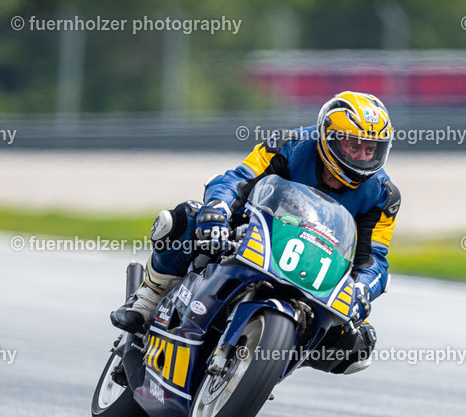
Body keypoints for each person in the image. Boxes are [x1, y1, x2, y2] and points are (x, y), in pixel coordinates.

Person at [112, 91, 400, 374]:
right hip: (254, 233)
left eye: (370, 149)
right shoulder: (289, 144)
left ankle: (274, 357)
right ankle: (149, 297)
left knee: (359, 344)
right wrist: (218, 209)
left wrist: (362, 289)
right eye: (354, 146)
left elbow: (374, 257)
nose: (362, 157)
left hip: (316, 264)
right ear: (330, 139)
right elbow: (239, 179)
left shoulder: (382, 196)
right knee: (183, 218)